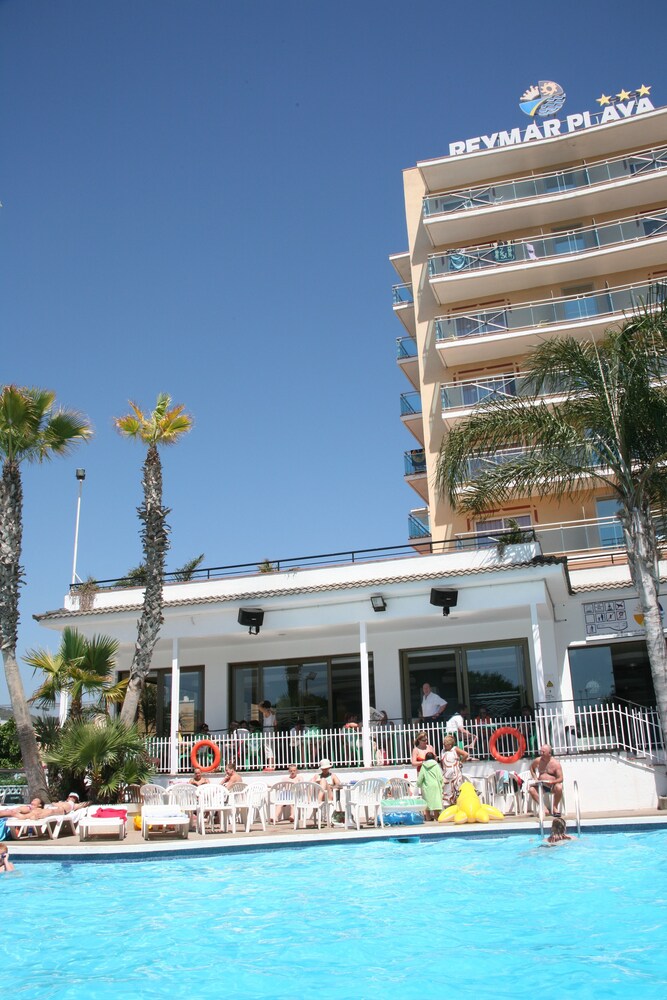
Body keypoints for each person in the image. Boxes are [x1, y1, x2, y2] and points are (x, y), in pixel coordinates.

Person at [529, 744, 564, 816]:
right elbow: (531, 768)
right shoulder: (538, 760)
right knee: (531, 790)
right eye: (541, 751)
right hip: (542, 785)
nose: (541, 753)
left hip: (552, 786)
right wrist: (535, 778)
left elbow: (561, 778)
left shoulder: (555, 764)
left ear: (549, 753)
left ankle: (555, 807)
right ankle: (544, 808)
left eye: (543, 752)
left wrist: (552, 782)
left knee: (559, 787)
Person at [440, 733, 469, 806]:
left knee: (456, 789)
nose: (445, 746)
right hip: (446, 774)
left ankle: (458, 804)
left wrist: (460, 762)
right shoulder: (443, 751)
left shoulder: (455, 749)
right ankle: (448, 806)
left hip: (455, 774)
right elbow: (441, 762)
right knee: (447, 791)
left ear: (450, 745)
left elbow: (465, 754)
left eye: (446, 745)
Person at [416, 751, 444, 822]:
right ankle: (436, 816)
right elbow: (440, 776)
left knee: (427, 801)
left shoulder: (424, 766)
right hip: (435, 785)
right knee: (436, 801)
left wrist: (418, 784)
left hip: (426, 785)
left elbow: (421, 776)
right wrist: (442, 784)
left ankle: (428, 817)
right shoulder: (436, 765)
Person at [259, 701, 277, 771]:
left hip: (267, 731)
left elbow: (259, 707)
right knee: (271, 748)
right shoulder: (273, 713)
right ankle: (272, 765)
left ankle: (270, 765)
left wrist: (261, 703)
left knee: (268, 748)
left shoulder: (266, 712)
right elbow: (275, 723)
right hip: (271, 730)